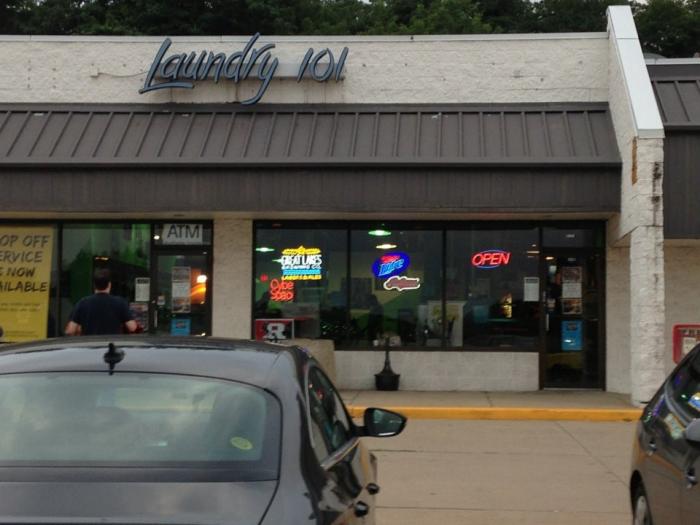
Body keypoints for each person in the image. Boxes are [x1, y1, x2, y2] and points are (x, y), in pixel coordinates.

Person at [65, 268, 137, 336]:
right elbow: (132, 327)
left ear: (94, 285)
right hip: (111, 343)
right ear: (109, 284)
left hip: (90, 344)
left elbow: (70, 331)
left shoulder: (82, 303)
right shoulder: (120, 303)